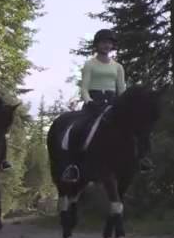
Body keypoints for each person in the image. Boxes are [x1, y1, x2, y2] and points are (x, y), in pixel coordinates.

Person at [60, 28, 150, 181]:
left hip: (113, 103)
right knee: (79, 128)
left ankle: (141, 159)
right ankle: (73, 166)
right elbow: (84, 87)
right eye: (103, 43)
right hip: (93, 103)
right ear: (97, 45)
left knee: (136, 128)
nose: (106, 46)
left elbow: (121, 89)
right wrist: (89, 101)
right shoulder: (90, 64)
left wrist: (124, 106)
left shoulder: (118, 67)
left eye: (109, 43)